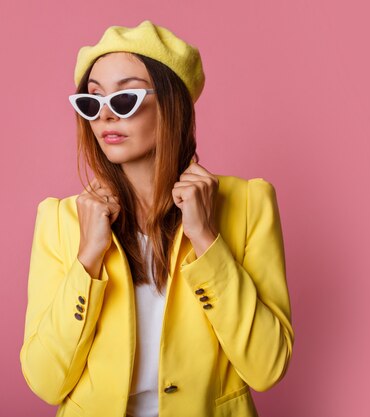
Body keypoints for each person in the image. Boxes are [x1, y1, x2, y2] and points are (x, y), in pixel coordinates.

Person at [19, 20, 294, 417]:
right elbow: (46, 382)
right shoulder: (60, 220)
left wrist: (206, 239)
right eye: (92, 103)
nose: (106, 117)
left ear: (171, 103)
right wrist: (88, 258)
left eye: (125, 99)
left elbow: (267, 367)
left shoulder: (250, 203)